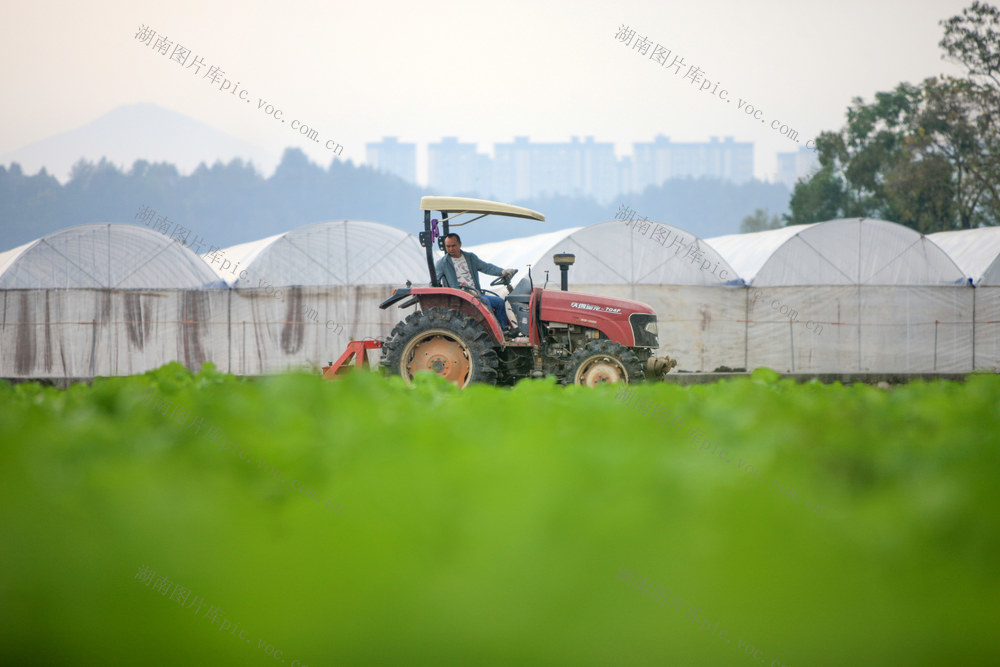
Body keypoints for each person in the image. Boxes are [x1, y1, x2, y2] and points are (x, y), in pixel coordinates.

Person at [435, 233, 518, 334]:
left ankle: (504, 329)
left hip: (476, 294)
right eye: (448, 246)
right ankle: (492, 332)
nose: (451, 249)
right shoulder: (442, 263)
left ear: (459, 244)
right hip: (462, 297)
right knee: (485, 302)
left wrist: (502, 272)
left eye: (453, 245)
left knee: (499, 302)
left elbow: (486, 267)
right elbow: (435, 281)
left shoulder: (470, 258)